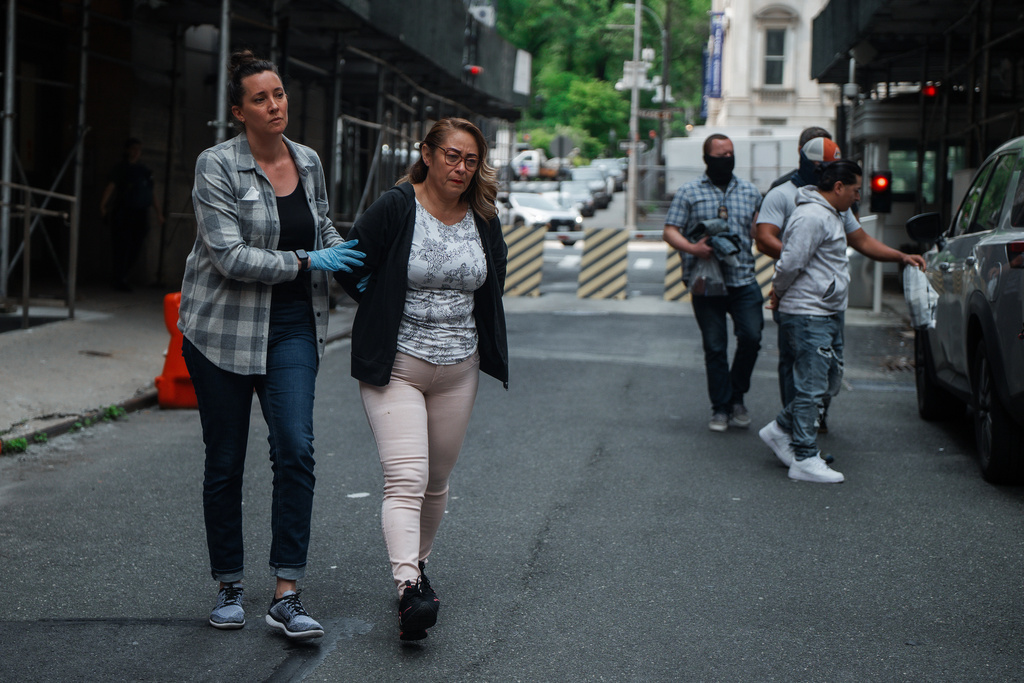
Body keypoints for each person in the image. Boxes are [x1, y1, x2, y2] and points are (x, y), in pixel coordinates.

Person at [178, 50, 364, 640]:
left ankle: (286, 592)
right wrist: (310, 259)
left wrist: (350, 257)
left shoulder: (306, 160)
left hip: (291, 327)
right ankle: (229, 583)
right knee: (225, 460)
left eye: (279, 94)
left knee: (295, 449)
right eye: (260, 98)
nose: (275, 105)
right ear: (239, 111)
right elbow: (229, 256)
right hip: (221, 329)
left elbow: (322, 225)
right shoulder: (217, 166)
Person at [334, 117, 508, 641]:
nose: (460, 168)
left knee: (436, 481)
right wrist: (380, 303)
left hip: (460, 368)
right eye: (452, 156)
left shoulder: (483, 215)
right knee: (406, 477)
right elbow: (349, 262)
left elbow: (492, 274)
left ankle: (419, 567)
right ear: (427, 154)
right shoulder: (395, 205)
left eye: (471, 160)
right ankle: (409, 586)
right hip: (399, 364)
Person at [754, 131, 926, 433]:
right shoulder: (782, 195)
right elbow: (765, 240)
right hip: (800, 298)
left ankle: (806, 424)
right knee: (798, 365)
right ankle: (795, 432)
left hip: (829, 299)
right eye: (822, 167)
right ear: (808, 163)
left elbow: (860, 239)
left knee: (827, 368)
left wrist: (900, 256)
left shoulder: (837, 203)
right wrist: (804, 257)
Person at [758, 160, 865, 483]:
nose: (857, 197)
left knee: (826, 380)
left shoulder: (827, 214)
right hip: (808, 312)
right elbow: (789, 262)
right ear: (838, 187)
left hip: (822, 310)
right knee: (812, 385)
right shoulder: (812, 216)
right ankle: (804, 456)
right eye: (855, 190)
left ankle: (780, 429)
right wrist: (778, 292)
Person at [663, 134, 764, 432]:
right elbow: (670, 231)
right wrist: (694, 249)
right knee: (715, 346)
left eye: (730, 154)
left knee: (751, 337)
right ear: (707, 158)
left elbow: (761, 231)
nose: (726, 159)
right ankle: (721, 407)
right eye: (720, 154)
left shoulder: (749, 192)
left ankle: (737, 395)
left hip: (743, 278)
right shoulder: (689, 192)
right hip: (705, 282)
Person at [99, 137, 165, 291]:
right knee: (121, 246)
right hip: (124, 211)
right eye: (133, 149)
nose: (136, 153)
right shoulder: (121, 168)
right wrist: (102, 205)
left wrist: (159, 213)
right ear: (127, 150)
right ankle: (118, 279)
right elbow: (111, 187)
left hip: (141, 212)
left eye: (138, 150)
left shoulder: (144, 171)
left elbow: (151, 193)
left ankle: (124, 276)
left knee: (136, 245)